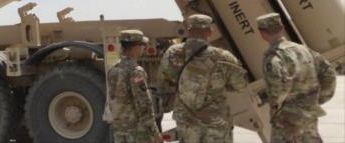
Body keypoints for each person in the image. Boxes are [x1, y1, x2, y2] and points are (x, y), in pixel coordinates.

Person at [158, 14, 248, 142]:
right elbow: (241, 85)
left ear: (188, 31)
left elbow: (163, 80)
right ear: (210, 31)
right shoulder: (223, 56)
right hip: (215, 121)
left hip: (186, 120)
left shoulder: (172, 53)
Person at [257, 12, 336, 143]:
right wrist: (318, 98)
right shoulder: (304, 50)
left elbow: (278, 88)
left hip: (287, 121)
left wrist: (278, 108)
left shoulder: (273, 57)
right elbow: (328, 74)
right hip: (309, 113)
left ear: (262, 34)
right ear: (282, 28)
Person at [107, 29, 162, 143]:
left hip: (120, 130)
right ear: (136, 47)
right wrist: (154, 132)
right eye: (142, 45)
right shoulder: (136, 72)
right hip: (136, 132)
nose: (143, 48)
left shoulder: (113, 69)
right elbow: (144, 104)